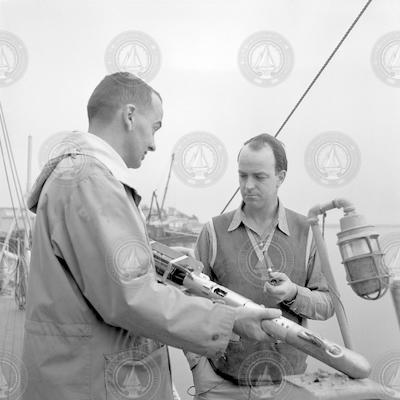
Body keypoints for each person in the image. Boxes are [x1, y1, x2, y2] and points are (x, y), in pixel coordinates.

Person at [21, 73, 281, 400]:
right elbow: (130, 297)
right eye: (155, 127)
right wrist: (229, 320)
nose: (154, 144)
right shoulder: (90, 182)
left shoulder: (80, 177)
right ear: (130, 116)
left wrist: (158, 260)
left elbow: (105, 269)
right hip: (93, 385)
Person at [186, 134, 335, 399]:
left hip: (291, 385)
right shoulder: (212, 231)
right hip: (224, 385)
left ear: (281, 177)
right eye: (242, 176)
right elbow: (188, 303)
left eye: (259, 177)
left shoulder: (308, 232)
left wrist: (293, 294)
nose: (248, 186)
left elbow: (328, 304)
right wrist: (198, 368)